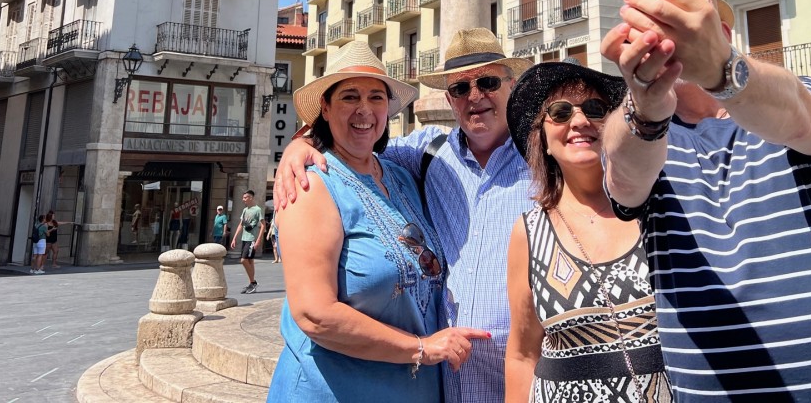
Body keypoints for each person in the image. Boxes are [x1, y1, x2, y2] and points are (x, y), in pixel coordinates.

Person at [601, 0, 811, 401]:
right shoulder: (639, 133)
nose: (680, 38)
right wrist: (644, 110)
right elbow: (623, 178)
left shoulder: (799, 95)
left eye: (698, 25)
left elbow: (801, 117)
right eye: (662, 28)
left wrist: (724, 71)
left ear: (726, 38)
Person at [275, 28, 533, 402]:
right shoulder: (317, 184)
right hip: (338, 389)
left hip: (498, 379)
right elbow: (314, 313)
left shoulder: (404, 171)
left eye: (488, 82)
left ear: (512, 87)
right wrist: (299, 145)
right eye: (461, 88)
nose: (475, 96)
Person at [504, 59, 671, 402]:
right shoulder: (529, 233)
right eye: (561, 112)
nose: (579, 121)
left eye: (594, 108)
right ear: (544, 140)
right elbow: (522, 355)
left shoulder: (659, 209)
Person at [229, 190, 264, 294]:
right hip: (244, 238)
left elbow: (263, 225)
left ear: (251, 198)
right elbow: (241, 224)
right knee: (250, 261)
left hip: (251, 239)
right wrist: (234, 238)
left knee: (243, 260)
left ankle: (253, 282)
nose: (243, 199)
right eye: (243, 197)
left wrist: (258, 240)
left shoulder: (257, 210)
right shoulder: (245, 210)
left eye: (245, 198)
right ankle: (251, 284)